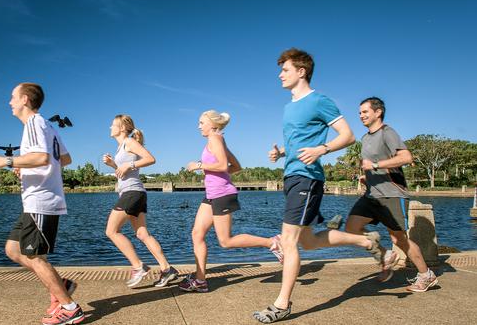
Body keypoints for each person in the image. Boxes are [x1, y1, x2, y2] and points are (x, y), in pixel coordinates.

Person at [252, 49, 385, 323]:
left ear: (301, 71)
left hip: (307, 178)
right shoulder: (289, 106)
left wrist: (321, 149)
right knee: (308, 242)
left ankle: (282, 303)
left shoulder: (319, 101)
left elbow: (348, 136)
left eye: (285, 69)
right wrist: (282, 154)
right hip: (292, 175)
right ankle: (365, 240)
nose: (280, 74)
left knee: (288, 241)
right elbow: (299, 142)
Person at [0, 82, 84, 325]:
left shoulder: (33, 123)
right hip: (35, 201)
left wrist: (7, 161)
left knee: (36, 257)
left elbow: (41, 157)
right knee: (13, 250)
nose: (9, 102)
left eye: (12, 97)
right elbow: (65, 159)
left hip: (41, 200)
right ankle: (62, 286)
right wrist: (27, 168)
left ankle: (70, 309)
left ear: (25, 99)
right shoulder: (47, 125)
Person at [178, 110, 283, 293]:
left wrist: (199, 165)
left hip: (222, 194)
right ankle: (200, 280)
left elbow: (220, 165)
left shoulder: (215, 139)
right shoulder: (218, 139)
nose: (198, 126)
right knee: (197, 233)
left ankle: (272, 242)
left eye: (201, 122)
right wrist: (213, 172)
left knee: (226, 241)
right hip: (212, 194)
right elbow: (235, 167)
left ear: (212, 124)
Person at [346, 97, 438, 290]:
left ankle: (426, 274)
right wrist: (367, 177)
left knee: (399, 239)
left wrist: (376, 165)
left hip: (391, 194)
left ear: (378, 112)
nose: (361, 115)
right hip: (372, 194)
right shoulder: (365, 138)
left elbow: (406, 157)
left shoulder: (387, 132)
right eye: (359, 113)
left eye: (365, 111)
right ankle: (385, 255)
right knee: (352, 228)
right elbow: (369, 165)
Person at [102, 114, 179, 287]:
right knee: (142, 234)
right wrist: (114, 165)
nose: (110, 127)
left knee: (111, 231)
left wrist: (129, 165)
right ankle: (167, 269)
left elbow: (151, 159)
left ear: (122, 128)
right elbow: (125, 172)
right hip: (134, 192)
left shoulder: (129, 142)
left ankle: (138, 266)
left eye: (112, 124)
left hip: (132, 193)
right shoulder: (121, 147)